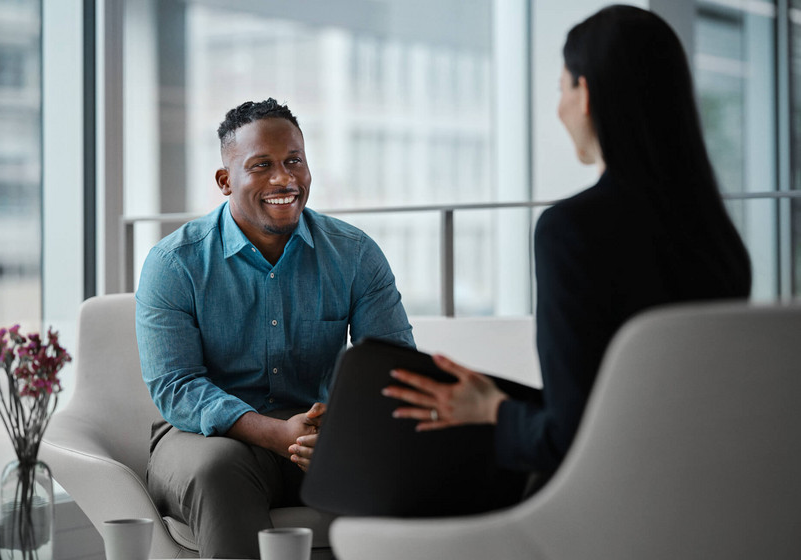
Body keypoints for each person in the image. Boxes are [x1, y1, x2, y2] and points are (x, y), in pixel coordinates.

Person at [383, 4, 751, 494]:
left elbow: (572, 437)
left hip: (611, 504)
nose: (558, 108)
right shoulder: (722, 241)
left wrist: (491, 409)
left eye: (561, 88)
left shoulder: (572, 231)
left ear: (586, 94)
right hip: (718, 492)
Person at [135, 98, 414, 558]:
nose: (284, 179)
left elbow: (394, 369)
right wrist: (275, 433)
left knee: (414, 457)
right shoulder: (174, 263)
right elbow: (176, 385)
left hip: (316, 437)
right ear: (225, 181)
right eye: (261, 165)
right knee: (218, 470)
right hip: (207, 441)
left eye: (294, 162)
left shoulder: (355, 254)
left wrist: (342, 429)